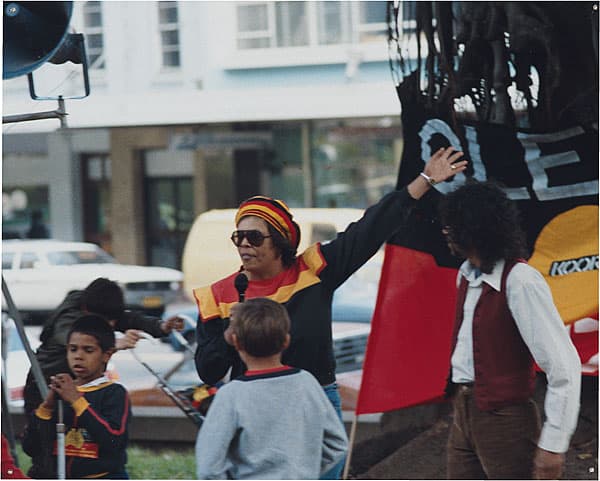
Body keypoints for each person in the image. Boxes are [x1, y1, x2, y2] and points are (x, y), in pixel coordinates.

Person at [194, 146, 466, 478]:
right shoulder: (219, 296)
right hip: (253, 405)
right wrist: (229, 330)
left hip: (314, 399)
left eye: (253, 237)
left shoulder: (314, 270)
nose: (243, 245)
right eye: (239, 237)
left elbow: (370, 229)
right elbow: (208, 371)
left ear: (279, 242)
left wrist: (424, 180)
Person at [438, 181, 581, 480]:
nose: (445, 232)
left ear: (473, 229)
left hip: (506, 418)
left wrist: (554, 444)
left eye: (452, 225)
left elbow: (563, 366)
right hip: (464, 411)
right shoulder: (465, 277)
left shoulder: (520, 281)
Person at [195, 297, 348, 479]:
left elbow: (208, 466)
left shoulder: (231, 395)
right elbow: (338, 444)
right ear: (286, 340)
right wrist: (305, 471)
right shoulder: (307, 383)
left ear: (236, 342)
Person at [22, 314, 131, 479]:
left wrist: (77, 401)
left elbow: (113, 441)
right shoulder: (60, 392)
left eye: (88, 350)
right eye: (73, 349)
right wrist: (46, 407)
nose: (78, 356)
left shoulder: (114, 393)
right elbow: (31, 447)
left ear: (106, 355)